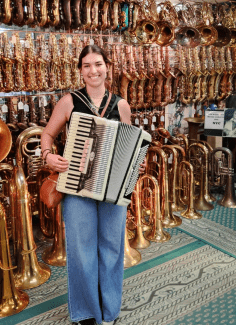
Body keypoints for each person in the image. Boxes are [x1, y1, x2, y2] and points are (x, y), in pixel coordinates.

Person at [41, 45, 141, 325]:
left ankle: (109, 312)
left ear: (107, 66)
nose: (93, 70)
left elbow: (128, 146)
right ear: (80, 70)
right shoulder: (69, 101)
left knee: (112, 248)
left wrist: (136, 164)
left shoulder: (121, 104)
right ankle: (86, 312)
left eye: (98, 64)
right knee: (81, 251)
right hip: (76, 187)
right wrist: (49, 156)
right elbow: (48, 134)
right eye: (86, 65)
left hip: (112, 189)